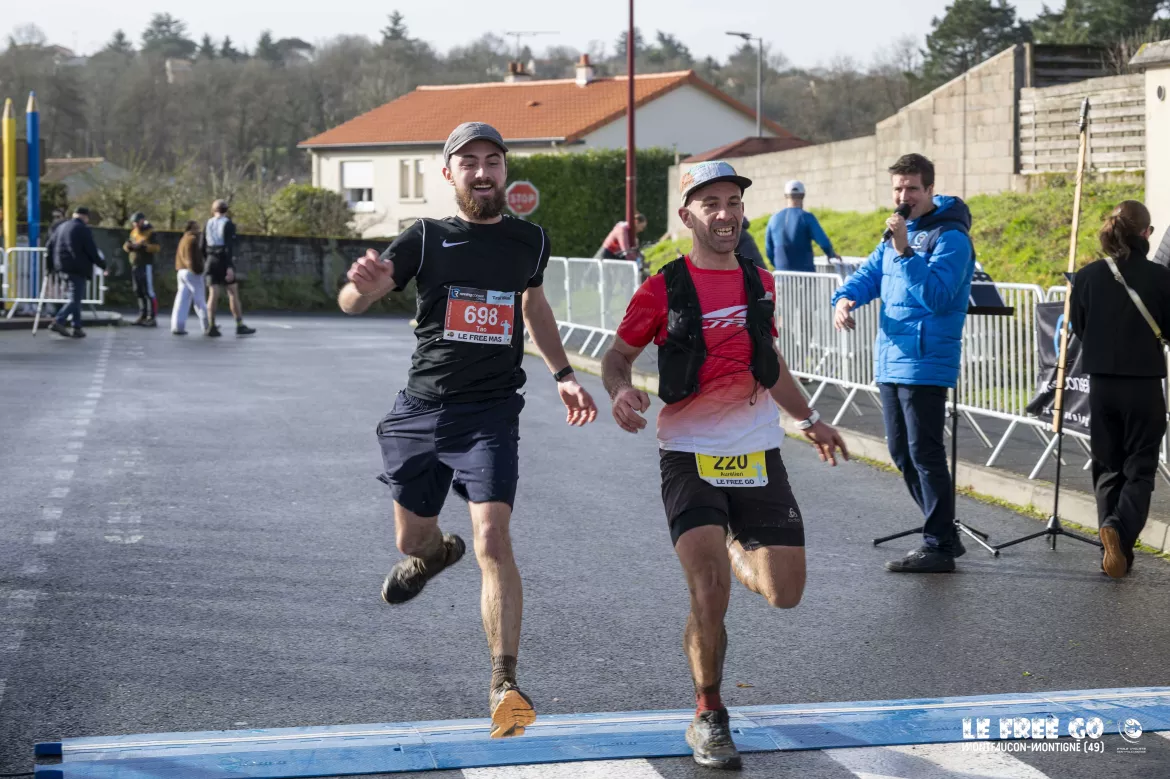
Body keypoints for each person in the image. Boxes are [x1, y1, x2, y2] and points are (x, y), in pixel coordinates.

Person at [338, 121, 598, 739]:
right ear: (449, 173)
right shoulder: (426, 237)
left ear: (504, 169)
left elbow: (533, 304)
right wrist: (361, 290)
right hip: (421, 409)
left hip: (491, 411)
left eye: (492, 161)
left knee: (493, 538)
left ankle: (504, 683)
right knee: (411, 540)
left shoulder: (530, 240)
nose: (483, 172)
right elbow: (353, 301)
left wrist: (563, 374)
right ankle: (435, 554)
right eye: (469, 162)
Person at [600, 160, 848, 770]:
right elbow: (617, 356)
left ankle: (737, 546)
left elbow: (770, 361)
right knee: (709, 591)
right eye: (710, 203)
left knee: (785, 594)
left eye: (733, 202)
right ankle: (709, 714)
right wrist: (620, 390)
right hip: (689, 453)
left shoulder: (760, 282)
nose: (725, 213)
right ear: (687, 216)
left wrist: (809, 418)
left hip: (758, 449)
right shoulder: (661, 289)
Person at [831, 153, 975, 573]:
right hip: (891, 358)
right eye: (898, 188)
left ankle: (939, 545)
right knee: (901, 452)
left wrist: (906, 251)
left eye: (912, 188)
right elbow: (869, 275)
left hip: (925, 360)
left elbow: (938, 297)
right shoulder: (897, 233)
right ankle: (944, 533)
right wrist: (844, 298)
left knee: (925, 453)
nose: (903, 196)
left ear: (930, 189)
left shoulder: (951, 238)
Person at [1069, 201, 1170, 579]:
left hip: (1100, 385)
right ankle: (1118, 530)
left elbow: (1080, 328)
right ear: (1146, 233)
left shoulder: (1087, 276)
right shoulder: (1161, 277)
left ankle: (1114, 556)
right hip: (1143, 384)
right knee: (1139, 469)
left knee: (1108, 468)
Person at [46, 207, 106, 339]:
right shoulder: (82, 229)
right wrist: (102, 265)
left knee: (74, 297)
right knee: (75, 299)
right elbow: (91, 250)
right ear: (85, 217)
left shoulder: (61, 227)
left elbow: (49, 246)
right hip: (77, 268)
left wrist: (49, 267)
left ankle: (77, 326)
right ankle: (59, 320)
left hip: (61, 267)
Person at [203, 199, 256, 337]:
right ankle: (239, 324)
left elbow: (201, 246)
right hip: (223, 260)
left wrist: (207, 260)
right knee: (232, 292)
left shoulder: (208, 223)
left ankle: (211, 325)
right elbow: (228, 247)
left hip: (210, 260)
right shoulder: (228, 224)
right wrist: (229, 267)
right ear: (226, 210)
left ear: (213, 210)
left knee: (213, 294)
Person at [764, 180, 839, 272]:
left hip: (781, 274)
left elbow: (769, 250)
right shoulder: (807, 217)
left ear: (785, 196)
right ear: (803, 195)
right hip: (805, 276)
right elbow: (824, 243)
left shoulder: (773, 219)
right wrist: (831, 254)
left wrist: (779, 265)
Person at [171, 220, 210, 335]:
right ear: (191, 229)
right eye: (196, 228)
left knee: (181, 300)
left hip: (181, 271)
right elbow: (193, 258)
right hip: (191, 272)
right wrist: (199, 270)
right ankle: (207, 325)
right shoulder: (192, 240)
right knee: (200, 300)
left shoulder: (183, 239)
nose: (199, 230)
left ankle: (177, 326)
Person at [124, 212, 161, 326]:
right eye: (134, 222)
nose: (135, 224)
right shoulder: (134, 232)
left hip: (146, 264)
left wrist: (144, 246)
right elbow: (127, 244)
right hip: (135, 264)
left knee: (148, 291)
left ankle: (152, 317)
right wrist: (128, 246)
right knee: (138, 290)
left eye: (137, 222)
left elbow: (157, 247)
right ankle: (142, 315)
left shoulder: (150, 232)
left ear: (142, 221)